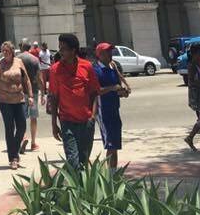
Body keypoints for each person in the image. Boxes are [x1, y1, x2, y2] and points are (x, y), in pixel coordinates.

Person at [48, 33, 100, 170]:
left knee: (83, 160)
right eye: (60, 48)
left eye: (64, 48)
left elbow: (94, 93)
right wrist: (54, 123)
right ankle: (74, 188)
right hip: (67, 122)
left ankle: (81, 190)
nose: (61, 51)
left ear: (73, 50)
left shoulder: (87, 66)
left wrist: (93, 116)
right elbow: (54, 97)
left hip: (86, 122)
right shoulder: (54, 70)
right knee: (73, 161)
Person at [0, 40, 33, 170]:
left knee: (22, 127)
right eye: (3, 51)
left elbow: (26, 79)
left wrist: (30, 95)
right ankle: (13, 158)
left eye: (7, 51)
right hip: (4, 100)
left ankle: (14, 149)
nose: (5, 53)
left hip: (19, 99)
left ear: (12, 51)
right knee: (9, 128)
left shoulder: (19, 62)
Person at [93, 42, 130, 168]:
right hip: (103, 111)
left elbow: (117, 87)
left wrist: (122, 92)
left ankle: (113, 174)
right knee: (110, 145)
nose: (110, 54)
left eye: (110, 51)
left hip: (115, 109)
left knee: (115, 145)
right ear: (100, 55)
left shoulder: (112, 67)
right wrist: (112, 88)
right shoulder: (96, 70)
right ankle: (109, 176)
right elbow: (96, 91)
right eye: (107, 51)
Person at [17, 39, 42, 153]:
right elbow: (39, 77)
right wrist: (44, 92)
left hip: (20, 91)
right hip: (34, 91)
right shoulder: (35, 59)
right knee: (33, 117)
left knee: (21, 117)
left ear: (22, 47)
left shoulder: (17, 59)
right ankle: (33, 142)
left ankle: (23, 138)